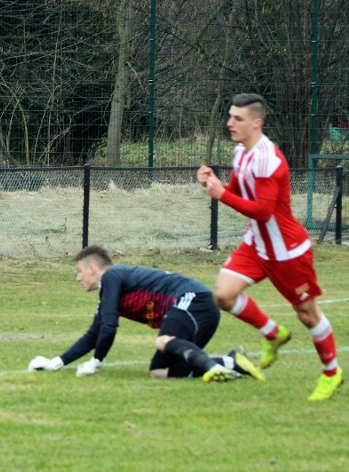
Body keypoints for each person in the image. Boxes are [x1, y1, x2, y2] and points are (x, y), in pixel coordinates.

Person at [197, 92, 343, 401]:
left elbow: (262, 210)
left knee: (307, 314)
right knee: (223, 294)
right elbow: (237, 192)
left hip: (287, 250)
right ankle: (273, 333)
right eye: (230, 116)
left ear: (256, 122)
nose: (230, 122)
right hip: (257, 243)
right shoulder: (241, 152)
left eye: (237, 118)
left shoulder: (267, 158)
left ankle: (331, 373)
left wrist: (220, 194)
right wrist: (215, 183)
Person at [28, 245, 264, 382]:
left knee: (163, 340)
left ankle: (215, 370)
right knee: (159, 371)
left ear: (92, 268)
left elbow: (110, 327)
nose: (78, 278)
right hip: (200, 310)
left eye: (80, 271)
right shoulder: (111, 290)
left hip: (194, 300)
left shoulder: (111, 276)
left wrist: (96, 362)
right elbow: (94, 334)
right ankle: (231, 362)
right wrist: (55, 364)